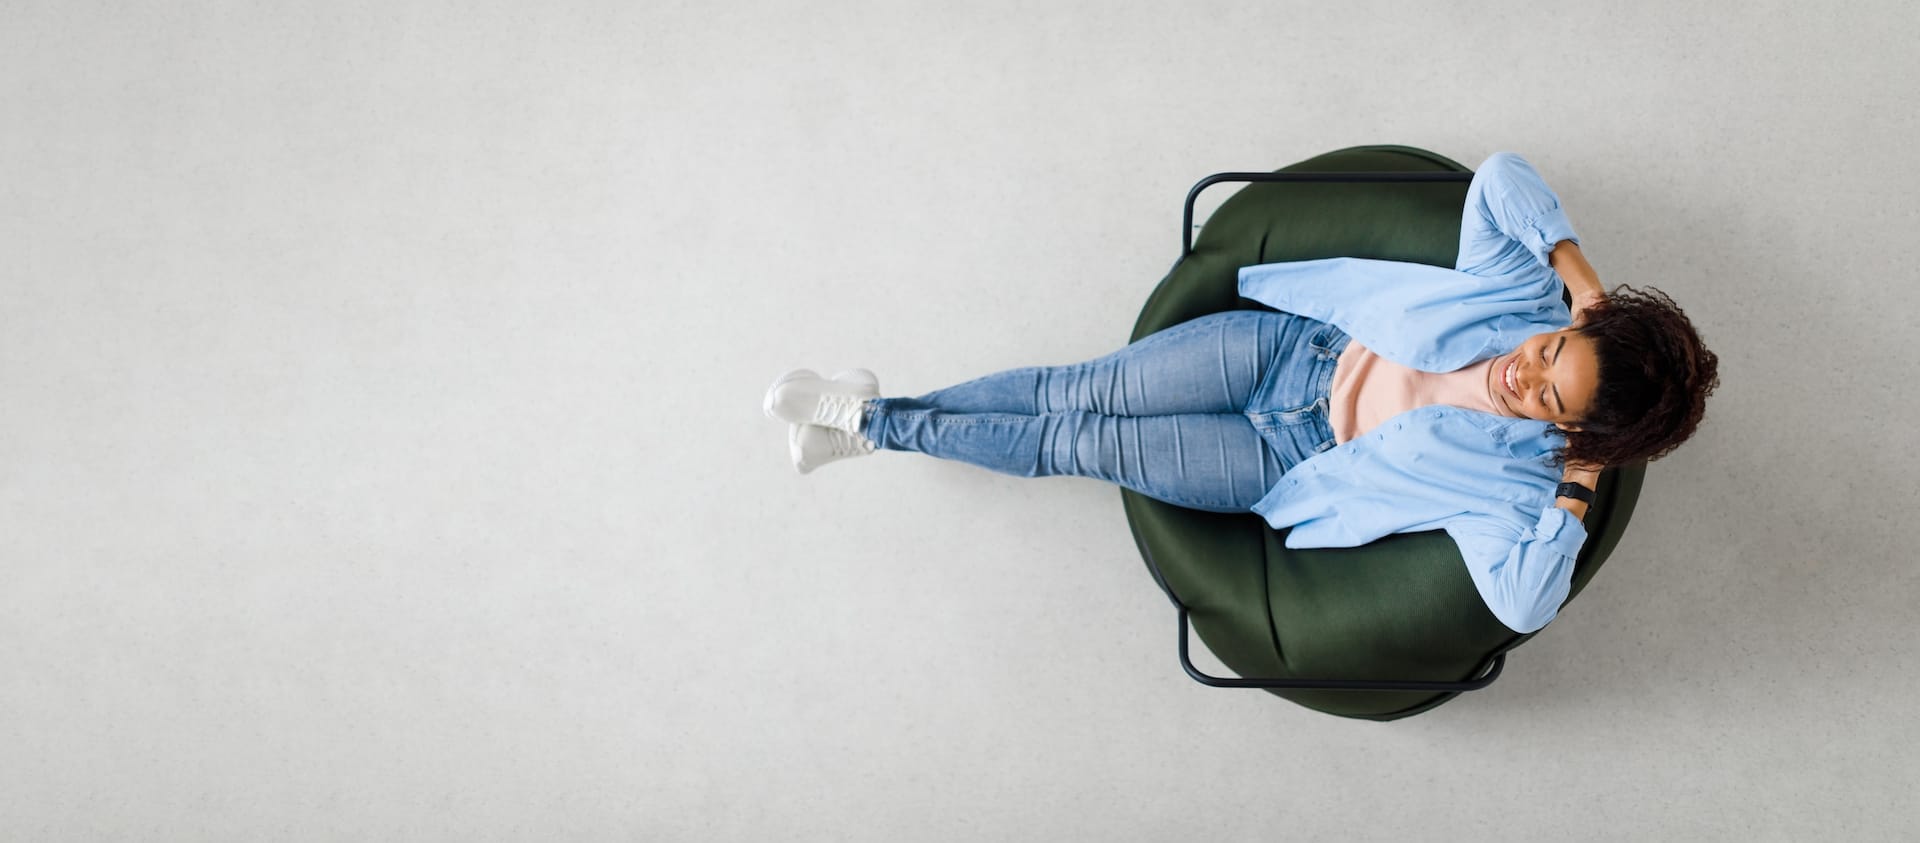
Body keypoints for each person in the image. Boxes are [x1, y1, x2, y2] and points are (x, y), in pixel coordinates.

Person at [763, 153, 1718, 634]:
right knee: (1076, 388)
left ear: (1578, 432)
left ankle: (866, 423)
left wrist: (1579, 479)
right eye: (1552, 352)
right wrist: (1581, 281)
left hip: (1282, 460)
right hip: (1288, 356)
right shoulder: (1523, 295)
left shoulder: (1521, 492)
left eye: (1551, 398)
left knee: (1076, 443)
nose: (1524, 372)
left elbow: (1521, 604)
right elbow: (1504, 174)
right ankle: (866, 416)